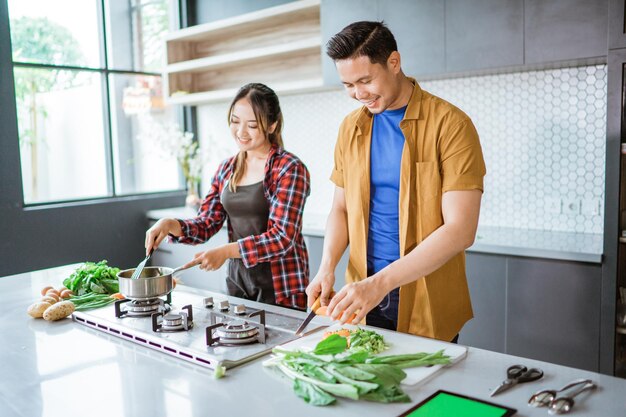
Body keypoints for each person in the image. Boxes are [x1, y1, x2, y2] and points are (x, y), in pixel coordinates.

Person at [305, 21, 486, 342]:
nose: (358, 94)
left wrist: (380, 283)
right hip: (360, 296)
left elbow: (460, 230)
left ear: (394, 62)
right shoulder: (351, 128)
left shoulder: (452, 125)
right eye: (348, 85)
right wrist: (327, 266)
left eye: (365, 80)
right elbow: (341, 209)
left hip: (424, 297)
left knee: (422, 388)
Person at [146, 83, 311, 310]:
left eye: (252, 125)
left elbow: (282, 238)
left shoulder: (289, 168)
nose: (241, 132)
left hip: (282, 287)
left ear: (272, 125)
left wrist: (226, 252)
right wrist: (170, 224)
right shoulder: (227, 169)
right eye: (235, 121)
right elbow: (206, 223)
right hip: (239, 282)